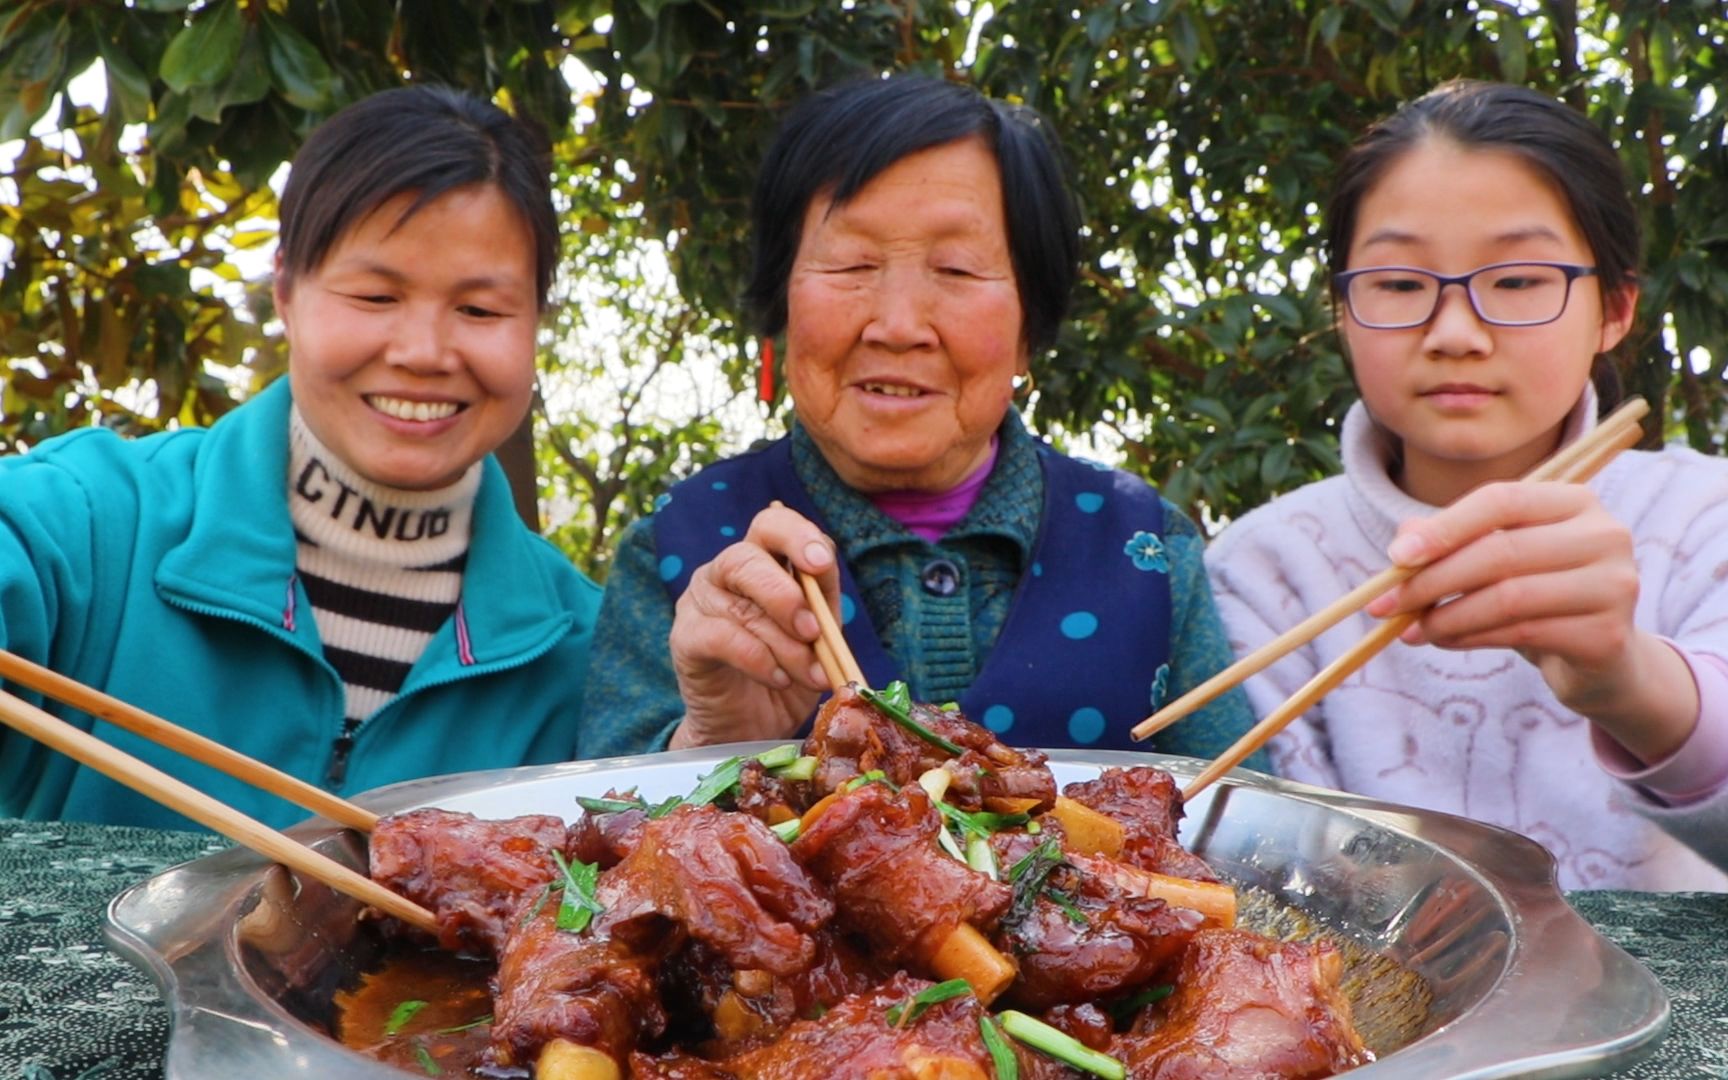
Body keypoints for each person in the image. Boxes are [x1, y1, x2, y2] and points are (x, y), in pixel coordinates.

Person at [583, 75, 1261, 765]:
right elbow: (592, 842)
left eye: (958, 270)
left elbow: (1241, 831)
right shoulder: (676, 548)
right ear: (782, 298)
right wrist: (708, 742)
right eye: (852, 262)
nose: (899, 325)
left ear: (1030, 326)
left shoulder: (1148, 549)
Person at [0, 87, 601, 831]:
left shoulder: (582, 655)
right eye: (377, 296)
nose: (422, 353)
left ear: (537, 322)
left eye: (480, 310)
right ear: (285, 289)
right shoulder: (92, 526)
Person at [1207, 80, 1728, 891]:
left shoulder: (1704, 519)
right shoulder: (1267, 568)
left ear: (1615, 308)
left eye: (1518, 282)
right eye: (1401, 285)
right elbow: (1266, 879)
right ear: (1342, 311)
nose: (1455, 333)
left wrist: (1627, 680)